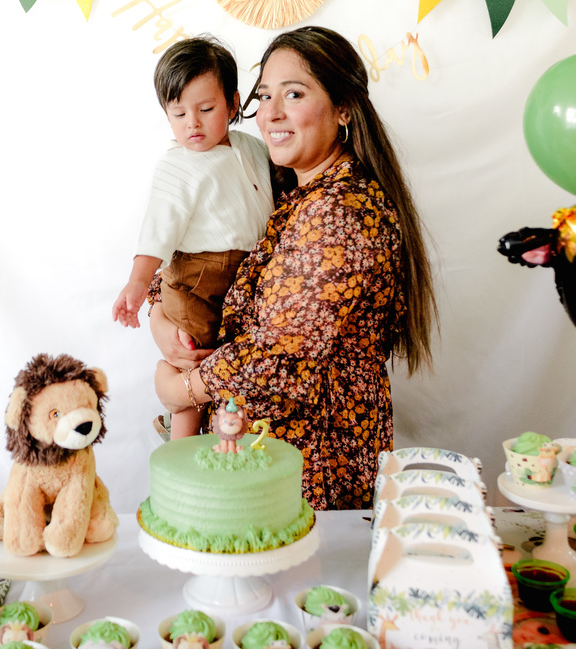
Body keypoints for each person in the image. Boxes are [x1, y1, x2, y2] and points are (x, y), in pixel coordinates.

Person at [150, 26, 437, 510]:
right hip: (259, 454)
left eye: (294, 94)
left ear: (344, 108)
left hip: (312, 466)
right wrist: (161, 320)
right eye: (264, 96)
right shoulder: (284, 192)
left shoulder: (342, 214)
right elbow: (197, 256)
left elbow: (279, 354)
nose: (271, 113)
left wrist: (182, 389)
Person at [112, 36, 274, 439]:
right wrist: (136, 283)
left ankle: (225, 438)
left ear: (234, 105)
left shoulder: (253, 148)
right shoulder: (177, 166)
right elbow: (156, 229)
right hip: (195, 277)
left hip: (244, 272)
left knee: (231, 361)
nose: (193, 124)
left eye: (205, 109)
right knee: (191, 352)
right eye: (178, 113)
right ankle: (179, 443)